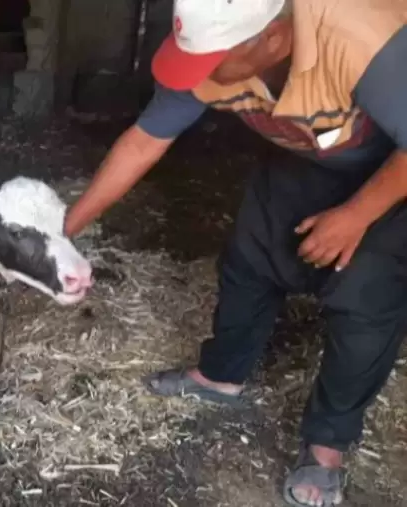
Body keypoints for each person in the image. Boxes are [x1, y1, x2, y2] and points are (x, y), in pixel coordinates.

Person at [63, 0, 407, 505]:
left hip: (390, 169)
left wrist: (355, 216)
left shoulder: (361, 36)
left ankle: (327, 446)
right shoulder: (214, 43)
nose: (197, 74)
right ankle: (220, 376)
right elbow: (143, 143)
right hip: (305, 149)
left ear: (270, 39)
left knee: (368, 296)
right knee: (251, 257)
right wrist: (62, 230)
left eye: (209, 63)